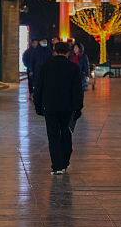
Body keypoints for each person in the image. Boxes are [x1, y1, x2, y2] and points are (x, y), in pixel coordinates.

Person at [33, 41, 84, 175]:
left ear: (54, 52)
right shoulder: (73, 67)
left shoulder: (45, 66)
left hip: (50, 107)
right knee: (66, 134)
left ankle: (57, 165)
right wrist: (78, 108)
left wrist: (38, 105)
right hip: (68, 107)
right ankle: (65, 161)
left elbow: (38, 88)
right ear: (68, 53)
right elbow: (78, 90)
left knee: (53, 136)